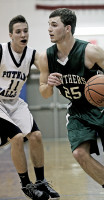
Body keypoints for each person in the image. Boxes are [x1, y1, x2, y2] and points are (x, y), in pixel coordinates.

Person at [38, 8, 104, 200]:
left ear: (67, 28)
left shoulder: (89, 51)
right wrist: (49, 84)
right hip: (77, 111)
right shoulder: (46, 57)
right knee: (79, 153)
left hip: (102, 108)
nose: (49, 29)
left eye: (54, 25)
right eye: (48, 25)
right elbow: (44, 93)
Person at [0, 15, 60, 200]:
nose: (23, 34)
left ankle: (41, 182)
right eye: (18, 31)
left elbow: (48, 67)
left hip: (14, 101)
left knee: (36, 136)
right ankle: (26, 185)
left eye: (25, 31)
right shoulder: (1, 50)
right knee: (17, 138)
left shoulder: (32, 54)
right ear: (11, 35)